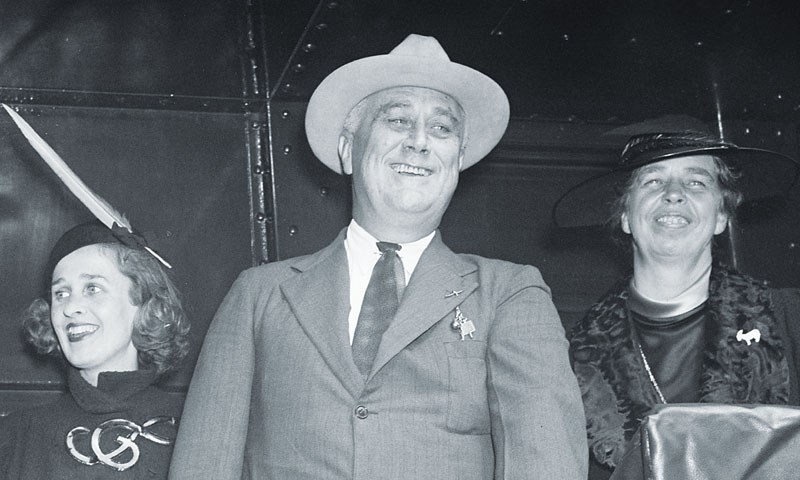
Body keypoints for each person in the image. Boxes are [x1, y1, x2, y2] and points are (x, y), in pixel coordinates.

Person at [168, 34, 587, 479]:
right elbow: (204, 464)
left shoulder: (508, 293)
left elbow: (547, 463)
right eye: (398, 120)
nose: (420, 142)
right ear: (348, 149)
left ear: (458, 159)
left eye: (442, 128)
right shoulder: (260, 295)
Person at [555, 130, 800, 479]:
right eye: (653, 181)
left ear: (721, 216)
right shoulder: (567, 355)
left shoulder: (791, 318)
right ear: (625, 215)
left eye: (696, 182)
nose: (673, 194)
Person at [0, 221, 191, 479]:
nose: (70, 308)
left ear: (143, 302)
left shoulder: (194, 426)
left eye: (92, 289)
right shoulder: (15, 437)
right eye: (61, 294)